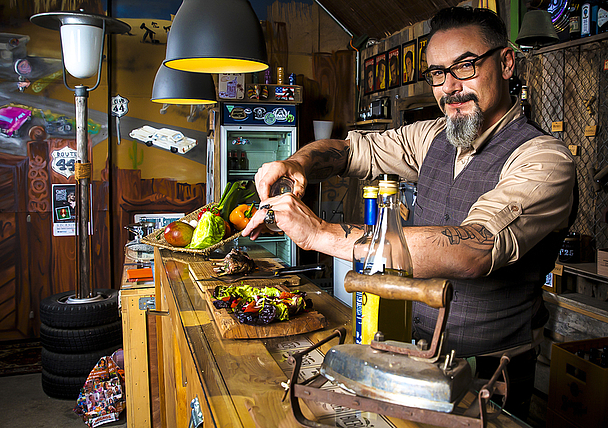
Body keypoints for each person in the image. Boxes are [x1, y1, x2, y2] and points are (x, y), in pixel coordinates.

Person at [242, 6, 575, 420]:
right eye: (437, 73)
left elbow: (474, 249)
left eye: (466, 67)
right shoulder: (435, 137)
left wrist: (320, 235)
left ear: (505, 63)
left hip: (487, 378)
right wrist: (298, 164)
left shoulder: (544, 158)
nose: (450, 87)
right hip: (412, 357)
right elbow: (351, 150)